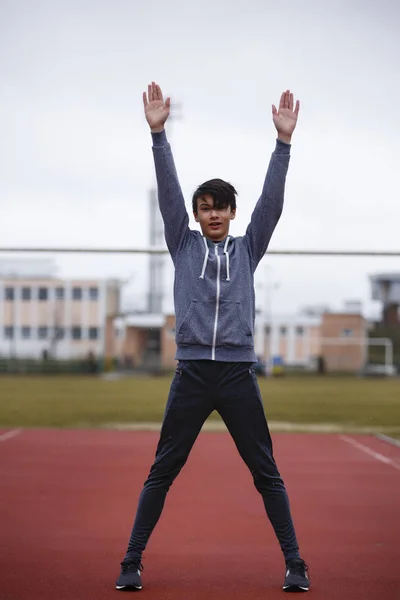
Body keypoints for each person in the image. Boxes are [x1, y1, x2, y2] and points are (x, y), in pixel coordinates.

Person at [116, 82, 309, 593]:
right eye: (207, 207)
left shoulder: (248, 250)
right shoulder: (182, 243)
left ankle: (295, 563)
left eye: (222, 207)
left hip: (239, 375)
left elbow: (273, 202)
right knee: (163, 470)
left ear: (232, 214)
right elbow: (169, 193)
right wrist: (158, 134)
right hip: (193, 375)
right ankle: (131, 560)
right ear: (199, 215)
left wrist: (283, 144)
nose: (215, 214)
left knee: (266, 473)